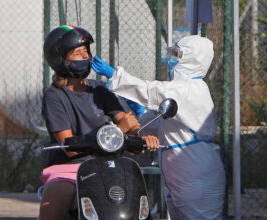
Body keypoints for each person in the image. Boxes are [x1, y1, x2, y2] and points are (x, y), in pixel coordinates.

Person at [92, 35, 226, 219]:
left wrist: (115, 75)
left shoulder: (191, 89)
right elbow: (156, 124)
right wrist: (141, 115)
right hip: (181, 176)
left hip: (196, 177)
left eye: (177, 55)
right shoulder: (180, 90)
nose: (171, 59)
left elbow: (152, 90)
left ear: (193, 59)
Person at [39, 25, 160, 220]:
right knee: (52, 203)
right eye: (78, 53)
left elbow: (126, 121)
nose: (85, 57)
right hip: (68, 167)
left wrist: (141, 135)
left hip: (108, 164)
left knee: (137, 203)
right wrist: (118, 130)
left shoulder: (99, 89)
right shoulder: (54, 96)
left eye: (86, 51)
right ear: (61, 59)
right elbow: (68, 145)